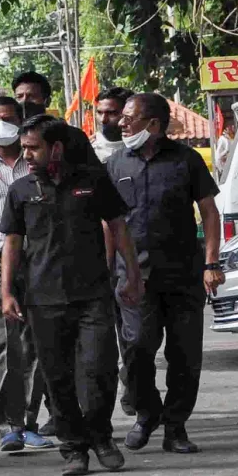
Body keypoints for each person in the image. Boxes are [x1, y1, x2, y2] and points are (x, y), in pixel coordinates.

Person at [0, 114, 143, 476]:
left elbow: (118, 227)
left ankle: (102, 438)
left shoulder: (93, 181)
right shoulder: (20, 191)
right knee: (57, 377)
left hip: (93, 294)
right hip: (42, 298)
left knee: (99, 369)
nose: (26, 155)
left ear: (56, 148)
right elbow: (12, 243)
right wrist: (6, 292)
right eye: (24, 148)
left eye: (33, 148)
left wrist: (133, 276)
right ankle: (73, 449)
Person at [106, 93, 224, 455]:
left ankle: (175, 427)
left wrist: (212, 263)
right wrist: (106, 270)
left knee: (185, 356)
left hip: (183, 275)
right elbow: (108, 223)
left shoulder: (186, 160)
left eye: (130, 119)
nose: (122, 124)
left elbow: (209, 212)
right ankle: (147, 413)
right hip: (134, 278)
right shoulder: (115, 163)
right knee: (137, 349)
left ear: (154, 124)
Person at [0, 97, 54, 452]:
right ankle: (9, 426)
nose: (1, 125)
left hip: (37, 260)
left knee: (35, 344)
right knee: (5, 344)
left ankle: (29, 422)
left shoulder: (37, 160)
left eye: (8, 118)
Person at [88, 87, 137, 416]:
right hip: (98, 254)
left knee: (136, 333)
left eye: (113, 113)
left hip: (137, 252)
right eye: (101, 112)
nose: (106, 119)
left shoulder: (138, 150)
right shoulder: (88, 153)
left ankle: (133, 382)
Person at [93, 87, 135, 163]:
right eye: (99, 112)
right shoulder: (88, 150)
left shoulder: (144, 150)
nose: (103, 119)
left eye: (111, 113)